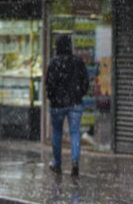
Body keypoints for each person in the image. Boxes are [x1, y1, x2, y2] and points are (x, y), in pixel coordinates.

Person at [46, 34, 89, 177]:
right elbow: (85, 82)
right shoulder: (78, 62)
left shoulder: (54, 63)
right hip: (75, 103)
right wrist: (79, 94)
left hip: (57, 105)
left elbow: (49, 84)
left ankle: (57, 164)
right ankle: (75, 161)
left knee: (57, 133)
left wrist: (52, 97)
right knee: (75, 133)